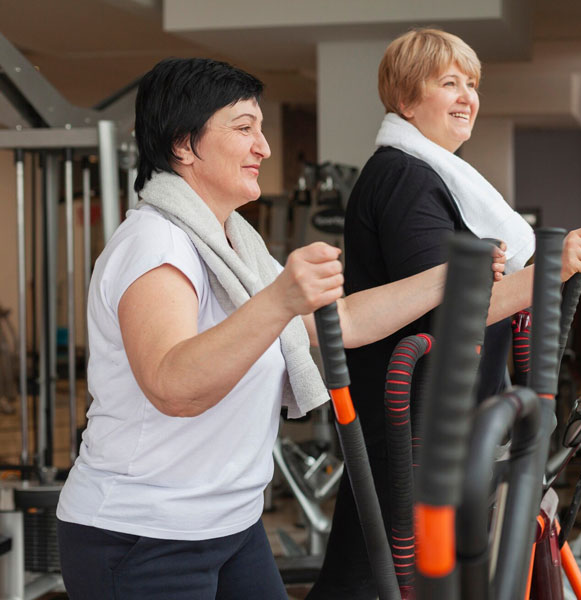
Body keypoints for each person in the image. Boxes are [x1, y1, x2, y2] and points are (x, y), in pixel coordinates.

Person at [54, 57, 462, 600]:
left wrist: (452, 277)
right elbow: (173, 385)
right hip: (143, 536)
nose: (264, 148)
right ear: (183, 144)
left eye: (261, 129)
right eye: (244, 128)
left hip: (233, 526)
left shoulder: (236, 246)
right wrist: (279, 299)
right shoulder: (156, 244)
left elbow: (343, 320)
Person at [307, 28, 581, 599]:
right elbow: (450, 307)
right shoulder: (404, 177)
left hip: (449, 423)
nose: (467, 96)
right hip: (413, 425)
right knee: (377, 578)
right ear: (406, 98)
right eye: (449, 83)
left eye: (472, 84)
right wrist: (553, 267)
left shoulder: (439, 176)